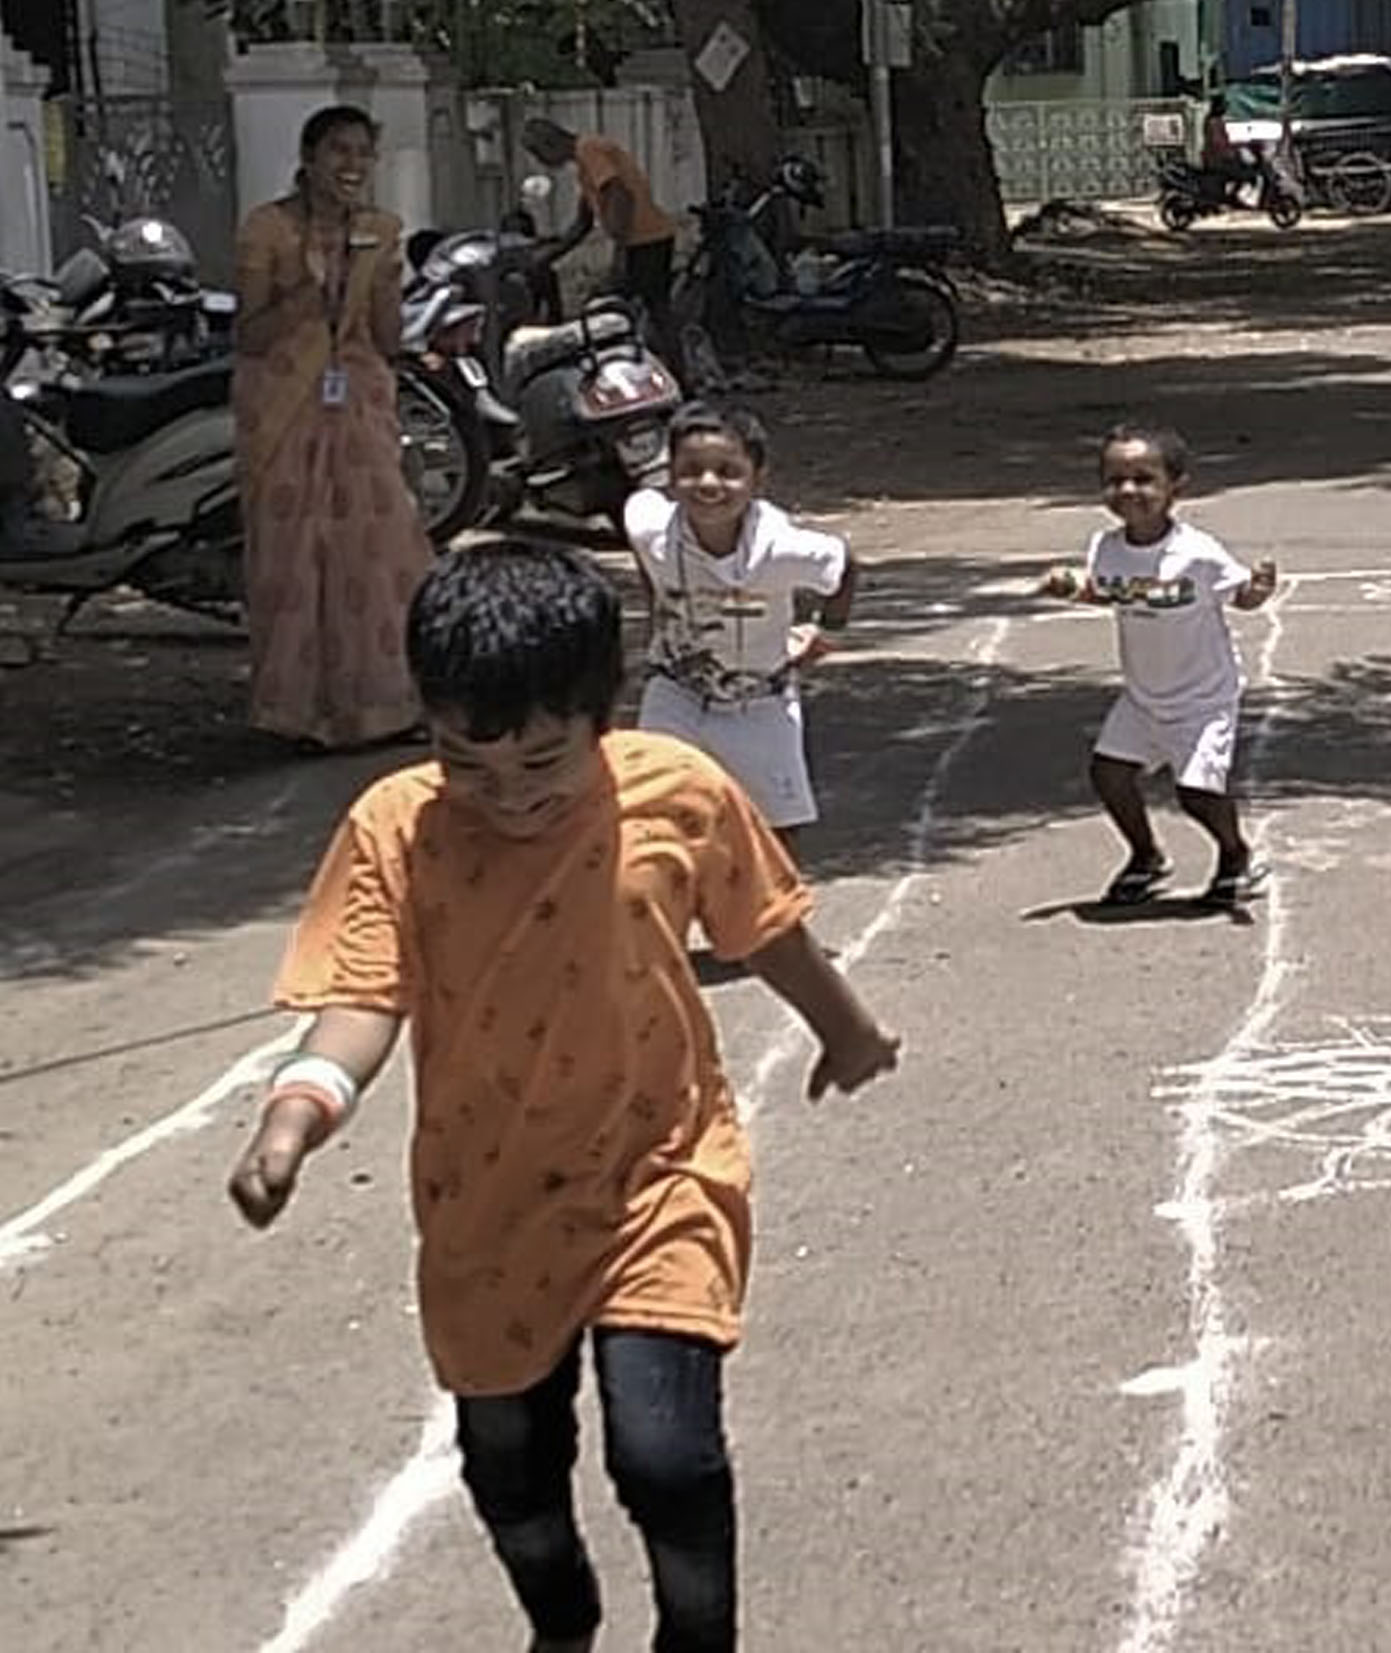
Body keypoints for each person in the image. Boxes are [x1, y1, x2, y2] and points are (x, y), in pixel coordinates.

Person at [226, 541, 901, 1653]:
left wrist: (848, 1029)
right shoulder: (400, 828)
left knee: (666, 1457)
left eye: (543, 764)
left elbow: (765, 928)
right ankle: (563, 1623)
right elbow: (362, 998)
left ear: (603, 716)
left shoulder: (677, 793)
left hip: (660, 1169)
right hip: (482, 1199)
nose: (510, 797)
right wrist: (295, 1116)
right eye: (467, 763)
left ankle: (698, 1637)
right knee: (510, 1466)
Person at [233, 105, 430, 750]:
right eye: (338, 152)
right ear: (310, 158)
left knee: (377, 551)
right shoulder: (266, 229)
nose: (351, 165)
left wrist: (382, 276)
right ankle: (293, 712)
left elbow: (387, 337)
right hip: (285, 404)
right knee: (293, 556)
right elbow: (251, 333)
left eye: (362, 154)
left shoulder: (380, 229)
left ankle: (382, 706)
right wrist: (306, 293)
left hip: (359, 405)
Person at [1037, 424, 1281, 913]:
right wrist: (1072, 587)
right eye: (1115, 480)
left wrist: (1260, 586)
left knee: (1195, 793)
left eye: (1144, 479)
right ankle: (1146, 857)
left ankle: (1237, 856)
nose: (1129, 491)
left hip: (1203, 696)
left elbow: (1242, 597)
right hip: (1145, 693)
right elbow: (1108, 590)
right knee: (1109, 774)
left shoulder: (1197, 552)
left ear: (1176, 488)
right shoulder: (1107, 547)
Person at [626, 402, 854, 848]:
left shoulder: (782, 549)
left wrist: (827, 635)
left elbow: (846, 565)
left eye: (728, 472)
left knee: (776, 833)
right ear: (671, 476)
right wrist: (658, 604)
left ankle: (770, 914)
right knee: (652, 816)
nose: (709, 484)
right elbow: (637, 517)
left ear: (757, 478)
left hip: (758, 699)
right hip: (677, 691)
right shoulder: (653, 528)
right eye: (691, 470)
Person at [525, 116, 681, 319]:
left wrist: (621, 251)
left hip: (645, 240)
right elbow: (584, 222)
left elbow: (620, 196)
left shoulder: (589, 151)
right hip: (646, 238)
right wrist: (551, 251)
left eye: (539, 154)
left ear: (550, 143)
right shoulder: (585, 166)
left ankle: (663, 348)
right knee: (650, 307)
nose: (542, 162)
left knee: (613, 305)